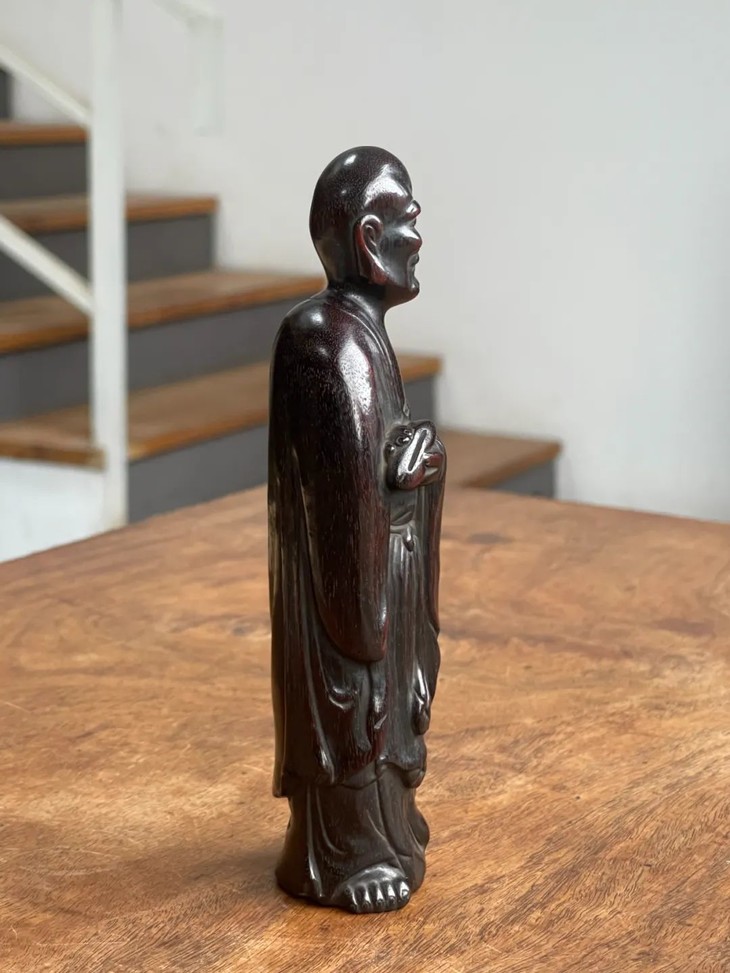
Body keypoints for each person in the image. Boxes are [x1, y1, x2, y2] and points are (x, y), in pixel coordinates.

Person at [268, 146, 446, 913]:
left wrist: (416, 469)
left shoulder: (360, 332)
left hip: (379, 578)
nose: (420, 236)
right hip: (349, 600)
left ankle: (387, 823)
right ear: (370, 238)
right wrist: (401, 489)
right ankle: (347, 847)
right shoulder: (328, 341)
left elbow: (381, 467)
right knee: (354, 684)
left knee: (380, 682)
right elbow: (341, 517)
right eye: (408, 219)